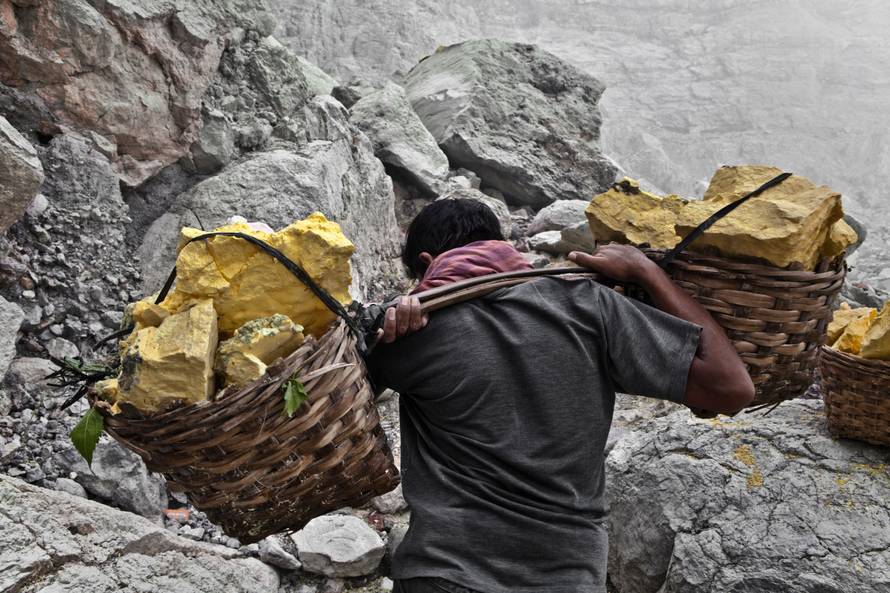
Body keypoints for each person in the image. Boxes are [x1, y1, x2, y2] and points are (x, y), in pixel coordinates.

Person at [366, 198, 754, 593]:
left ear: (428, 262)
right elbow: (732, 388)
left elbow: (329, 400)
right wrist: (648, 272)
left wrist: (383, 338)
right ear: (502, 244)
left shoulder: (415, 337)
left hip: (446, 573)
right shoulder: (590, 307)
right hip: (569, 576)